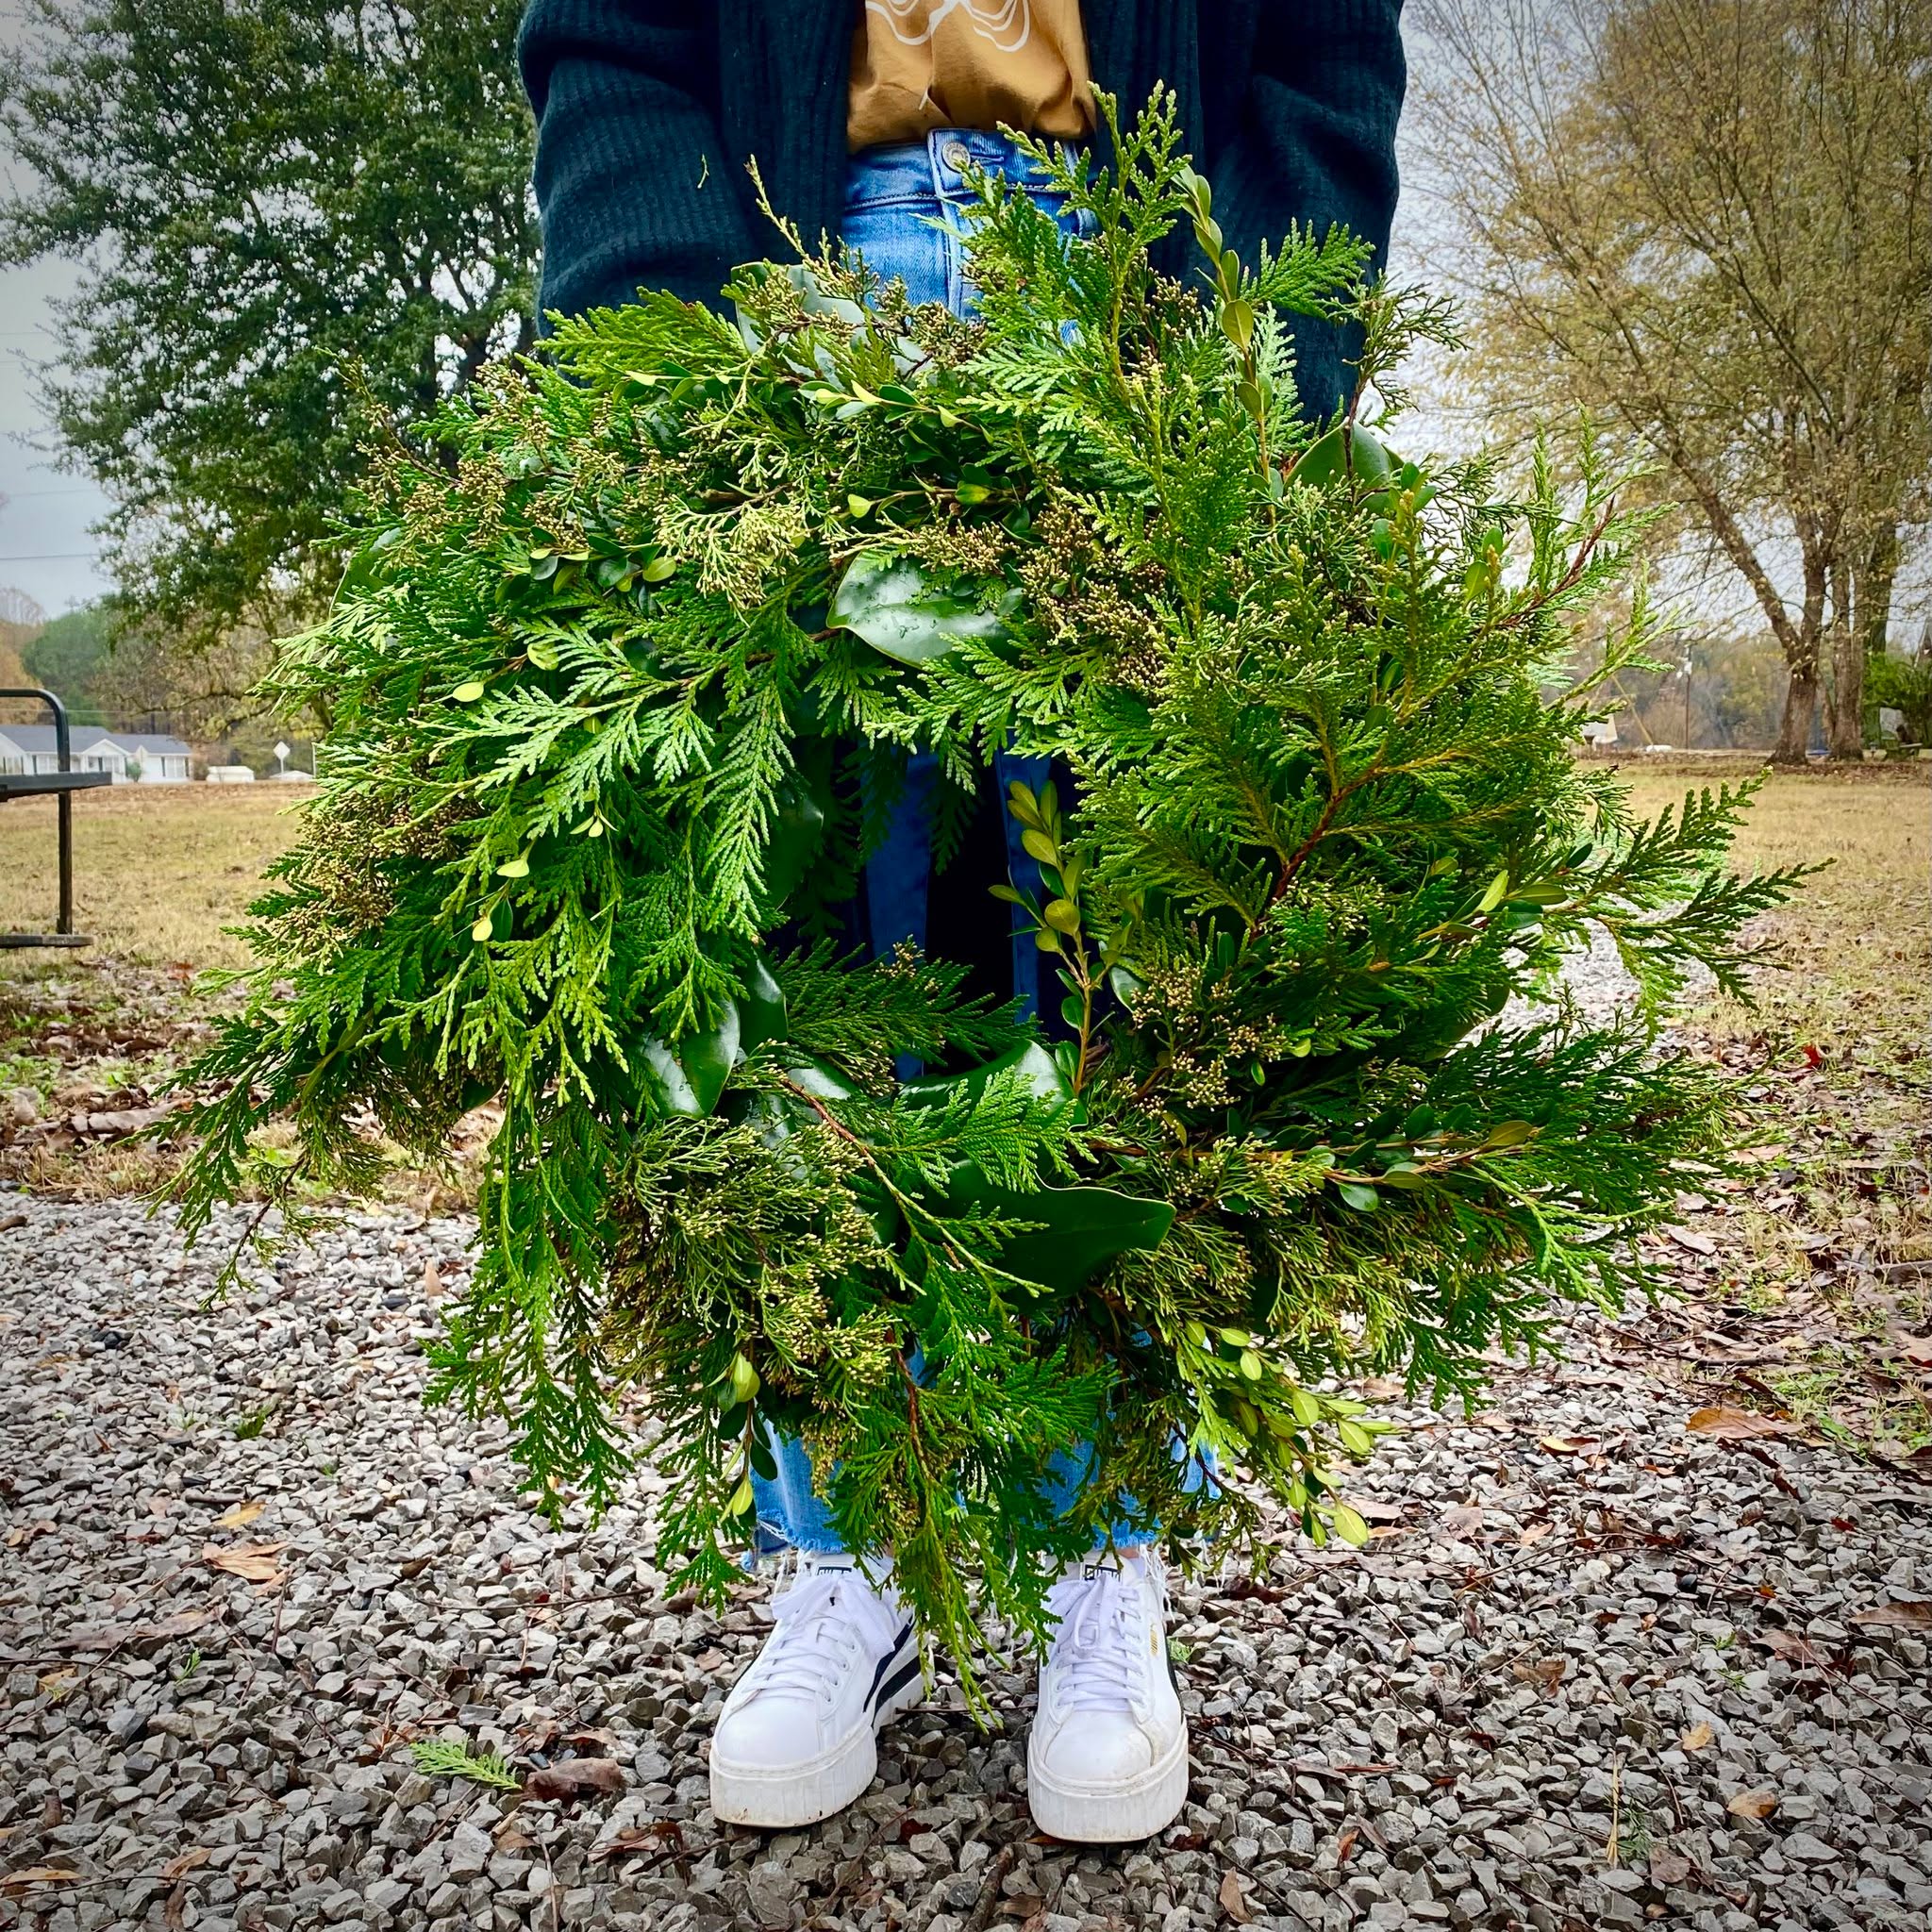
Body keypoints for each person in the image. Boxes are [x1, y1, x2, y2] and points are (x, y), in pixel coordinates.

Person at [516, 0, 1407, 1843]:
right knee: (804, 973)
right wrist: (644, 353)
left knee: (1123, 989)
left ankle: (1101, 1549)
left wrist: (1260, 361)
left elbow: (1323, 42)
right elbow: (611, 31)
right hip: (791, 276)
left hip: (1134, 289)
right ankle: (849, 1552)